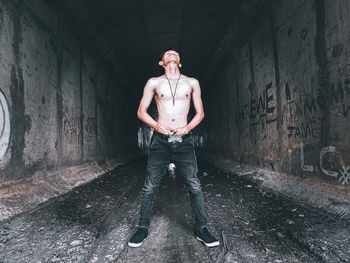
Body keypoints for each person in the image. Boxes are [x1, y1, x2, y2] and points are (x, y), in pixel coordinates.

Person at [128, 47, 219, 248]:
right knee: (150, 186)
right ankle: (142, 229)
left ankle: (202, 228)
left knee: (194, 185)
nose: (172, 53)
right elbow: (141, 112)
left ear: (180, 62)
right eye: (168, 53)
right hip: (160, 140)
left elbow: (200, 113)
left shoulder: (192, 82)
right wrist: (156, 125)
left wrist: (187, 127)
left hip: (184, 140)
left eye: (176, 53)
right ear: (161, 62)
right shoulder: (154, 82)